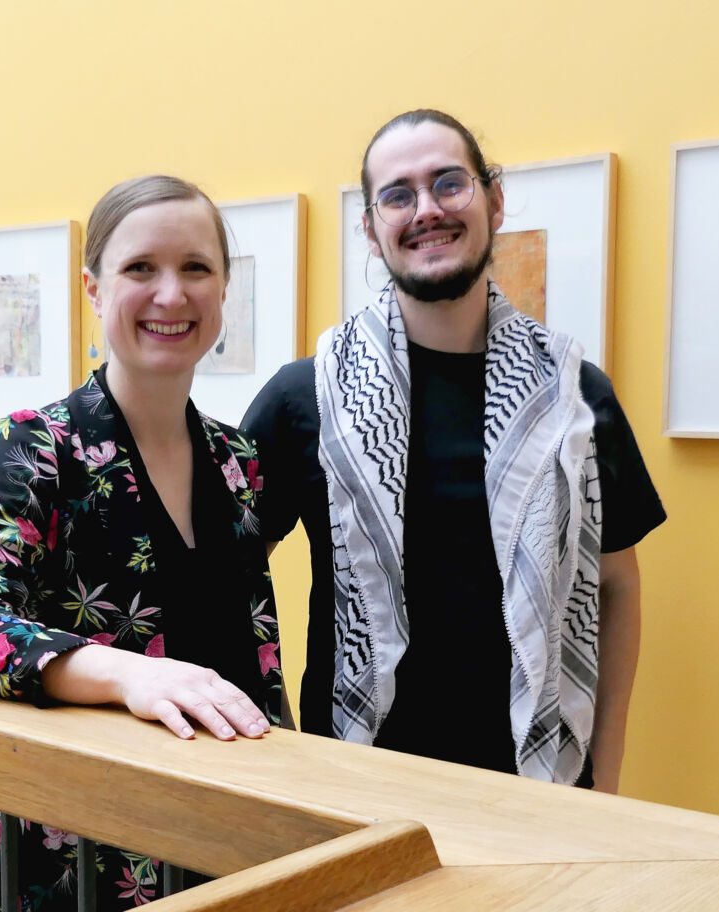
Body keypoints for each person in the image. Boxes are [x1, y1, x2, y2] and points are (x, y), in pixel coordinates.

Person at [242, 110, 665, 792]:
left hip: (540, 783)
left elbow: (617, 585)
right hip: (359, 779)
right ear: (373, 230)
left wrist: (607, 782)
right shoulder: (306, 396)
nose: (427, 210)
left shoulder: (574, 396)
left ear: (494, 202)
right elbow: (226, 578)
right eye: (399, 195)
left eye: (449, 183)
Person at [0, 175, 282, 911]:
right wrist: (127, 676)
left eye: (196, 268)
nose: (171, 295)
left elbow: (255, 658)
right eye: (140, 268)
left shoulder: (238, 459)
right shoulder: (36, 444)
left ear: (223, 289)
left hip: (236, 845)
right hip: (83, 867)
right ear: (93, 288)